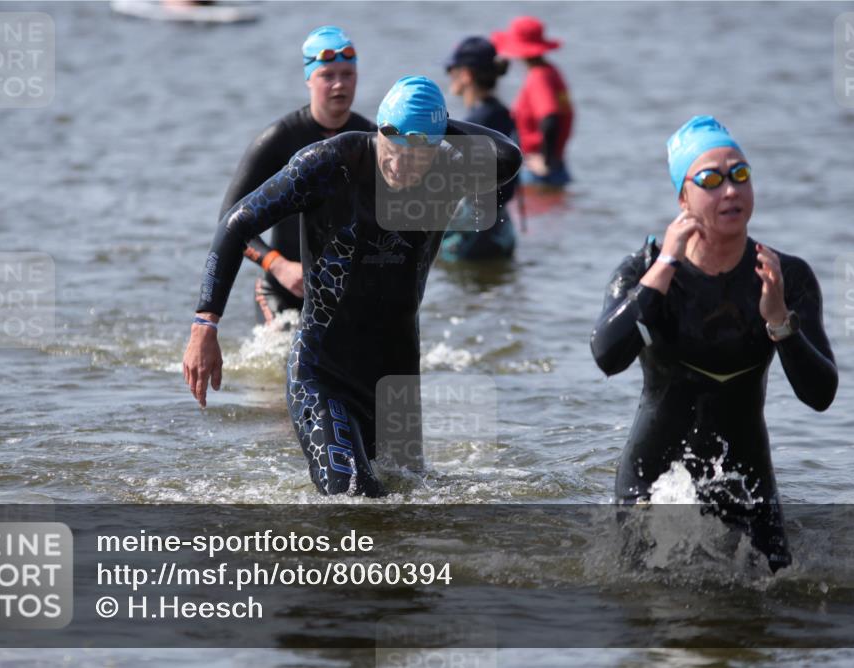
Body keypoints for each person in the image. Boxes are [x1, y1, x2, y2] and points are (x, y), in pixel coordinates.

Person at [184, 76, 522, 497]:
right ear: (379, 130)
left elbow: (509, 157)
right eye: (392, 147)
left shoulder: (449, 171)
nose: (399, 166)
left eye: (416, 156)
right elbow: (236, 224)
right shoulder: (330, 163)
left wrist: (439, 123)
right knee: (354, 493)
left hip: (395, 375)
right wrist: (205, 323)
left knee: (410, 499)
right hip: (323, 368)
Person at [589, 116, 838, 572]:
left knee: (777, 597)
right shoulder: (642, 270)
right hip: (654, 482)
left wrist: (780, 320)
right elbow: (607, 356)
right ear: (683, 197)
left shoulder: (786, 277)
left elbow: (820, 395)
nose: (730, 190)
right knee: (641, 608)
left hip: (747, 482)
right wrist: (663, 268)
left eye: (740, 174)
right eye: (711, 179)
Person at [218, 26, 375, 326]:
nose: (339, 85)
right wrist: (276, 265)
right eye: (328, 76)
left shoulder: (370, 138)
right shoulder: (279, 138)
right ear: (308, 79)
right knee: (283, 366)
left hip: (345, 289)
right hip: (283, 288)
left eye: (348, 74)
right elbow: (229, 219)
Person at [441, 36, 517, 261]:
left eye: (449, 69)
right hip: (502, 231)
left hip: (474, 233)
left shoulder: (474, 124)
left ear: (465, 74)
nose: (448, 76)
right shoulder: (503, 114)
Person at [492, 16, 574, 188]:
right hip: (555, 163)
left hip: (538, 169)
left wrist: (545, 162)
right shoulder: (551, 71)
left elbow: (550, 118)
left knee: (537, 213)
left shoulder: (538, 77)